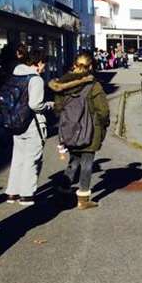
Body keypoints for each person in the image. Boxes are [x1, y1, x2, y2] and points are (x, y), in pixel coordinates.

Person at [50, 52, 110, 210]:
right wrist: (103, 125)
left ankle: (63, 192)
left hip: (69, 129)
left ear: (74, 65)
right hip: (91, 130)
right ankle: (83, 199)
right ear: (90, 67)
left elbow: (57, 109)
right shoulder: (93, 85)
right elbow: (103, 111)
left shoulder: (61, 85)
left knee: (73, 160)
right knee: (87, 163)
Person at [2, 45, 53, 206]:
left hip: (14, 122)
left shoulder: (15, 74)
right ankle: (26, 194)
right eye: (44, 64)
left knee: (18, 158)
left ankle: (12, 192)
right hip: (31, 123)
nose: (44, 68)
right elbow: (35, 105)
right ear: (38, 63)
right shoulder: (35, 79)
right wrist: (49, 105)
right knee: (32, 158)